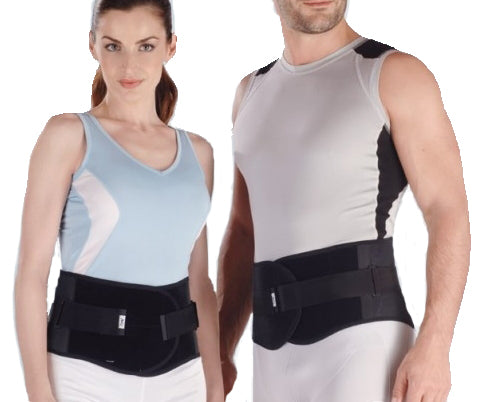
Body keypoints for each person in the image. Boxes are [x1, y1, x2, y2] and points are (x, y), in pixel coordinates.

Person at [217, 1, 470, 401]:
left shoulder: (391, 74)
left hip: (364, 347)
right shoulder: (250, 92)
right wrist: (221, 345)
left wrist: (436, 344)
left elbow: (447, 209)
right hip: (270, 356)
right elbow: (245, 228)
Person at [13, 1, 224, 401]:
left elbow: (198, 280)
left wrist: (214, 384)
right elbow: (32, 273)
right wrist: (39, 392)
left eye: (146, 46)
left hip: (182, 377)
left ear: (171, 46)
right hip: (84, 376)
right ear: (92, 45)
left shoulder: (199, 154)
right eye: (114, 46)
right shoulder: (69, 136)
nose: (129, 65)